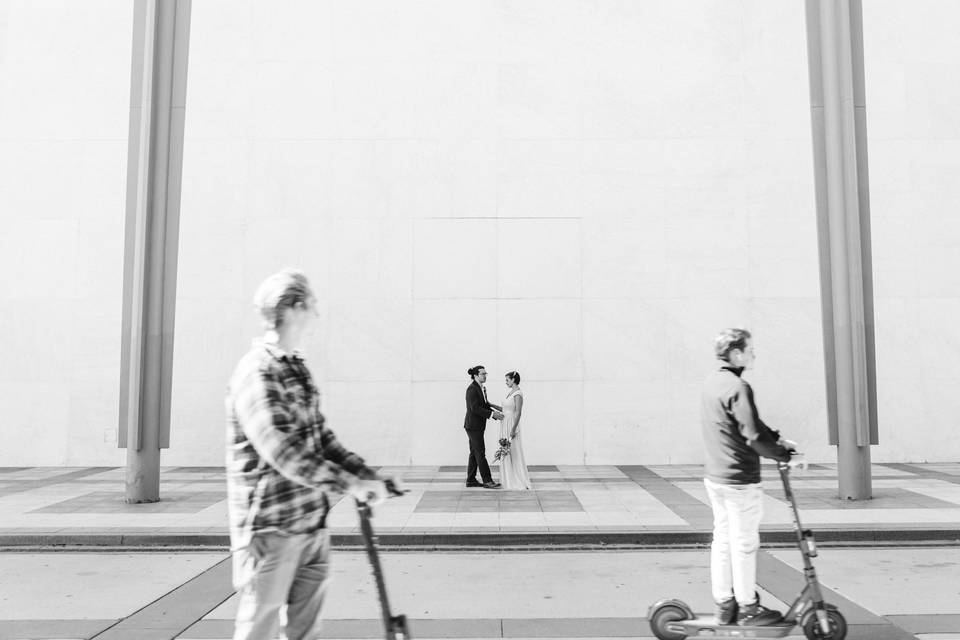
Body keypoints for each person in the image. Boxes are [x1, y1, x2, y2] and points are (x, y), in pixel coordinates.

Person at [225, 268, 398, 640]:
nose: (317, 314)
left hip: (311, 526)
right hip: (272, 531)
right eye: (313, 305)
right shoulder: (258, 372)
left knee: (306, 634)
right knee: (260, 632)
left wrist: (366, 475)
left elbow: (321, 439)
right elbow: (282, 450)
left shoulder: (295, 369)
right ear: (295, 308)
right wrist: (349, 482)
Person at [701, 328, 794, 627]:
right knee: (743, 543)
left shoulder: (713, 383)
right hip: (741, 479)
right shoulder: (739, 386)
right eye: (750, 349)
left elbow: (748, 423)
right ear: (736, 353)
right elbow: (753, 435)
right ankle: (748, 607)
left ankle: (724, 602)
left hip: (716, 477)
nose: (754, 354)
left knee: (723, 540)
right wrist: (784, 455)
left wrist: (778, 438)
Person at [464, 365, 502, 488]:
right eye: (483, 374)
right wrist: (492, 414)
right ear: (475, 376)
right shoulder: (472, 389)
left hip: (477, 425)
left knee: (474, 453)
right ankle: (487, 480)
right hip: (473, 426)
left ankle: (470, 480)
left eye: (486, 374)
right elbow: (474, 408)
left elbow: (484, 405)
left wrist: (495, 413)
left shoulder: (481, 388)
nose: (485, 376)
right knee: (480, 452)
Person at [499, 371, 531, 490]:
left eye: (507, 380)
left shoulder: (518, 393)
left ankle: (517, 478)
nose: (506, 382)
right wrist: (491, 405)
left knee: (513, 449)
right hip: (505, 422)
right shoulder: (510, 392)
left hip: (511, 423)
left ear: (513, 379)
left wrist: (513, 428)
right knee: (506, 448)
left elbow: (518, 412)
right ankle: (508, 476)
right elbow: (505, 408)